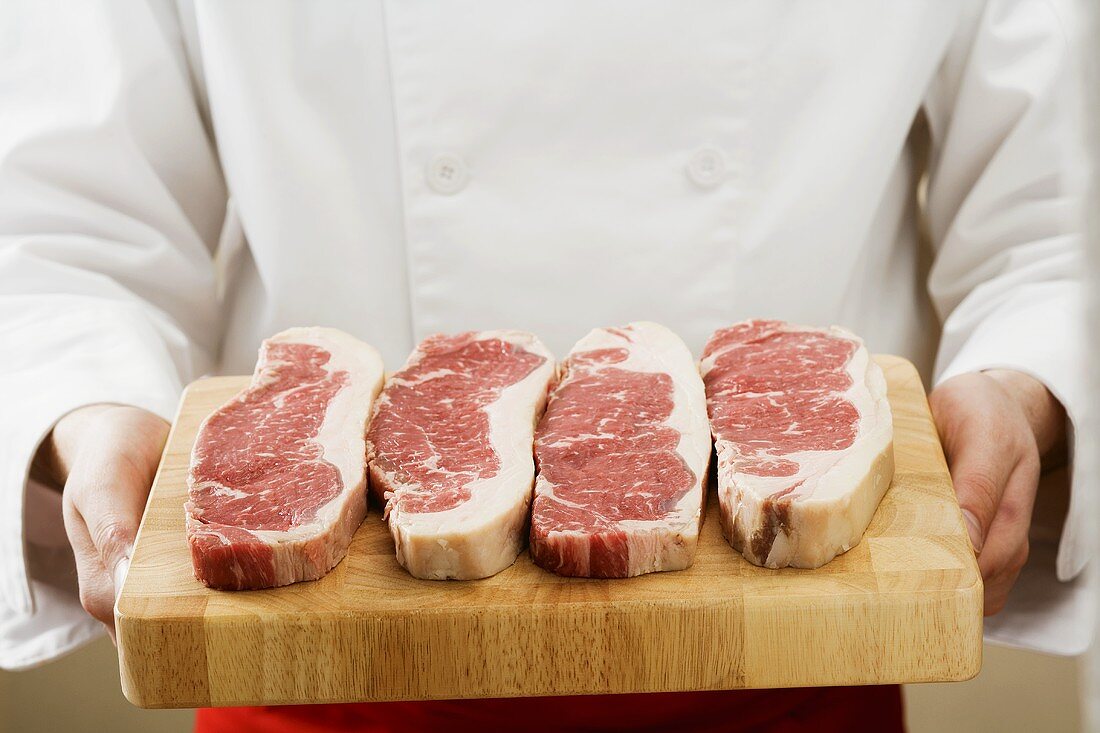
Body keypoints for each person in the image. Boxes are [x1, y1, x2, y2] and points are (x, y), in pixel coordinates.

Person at [0, 1, 1087, 731]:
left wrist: (1018, 379)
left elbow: (1057, 214)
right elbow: (65, 217)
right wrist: (87, 406)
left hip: (786, 666)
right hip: (319, 667)